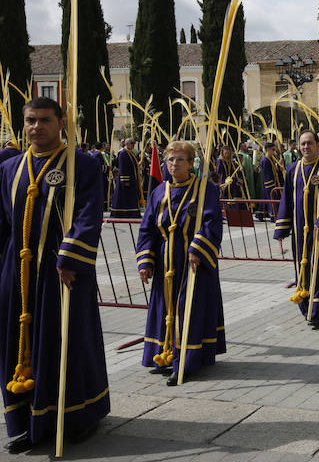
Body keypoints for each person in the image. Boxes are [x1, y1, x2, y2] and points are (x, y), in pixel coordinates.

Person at [0, 98, 109, 452]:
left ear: (61, 122)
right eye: (30, 120)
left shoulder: (83, 165)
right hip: (16, 272)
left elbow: (90, 214)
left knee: (68, 341)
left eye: (44, 120)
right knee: (16, 341)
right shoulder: (9, 168)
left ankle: (78, 416)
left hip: (62, 271)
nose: (36, 127)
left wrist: (70, 257)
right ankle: (23, 421)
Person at [135, 141, 226, 386]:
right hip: (166, 261)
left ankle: (185, 360)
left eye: (180, 160)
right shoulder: (158, 192)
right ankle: (163, 354)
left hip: (193, 262)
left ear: (191, 163)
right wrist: (145, 260)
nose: (174, 164)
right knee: (164, 307)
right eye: (170, 160)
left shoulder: (205, 189)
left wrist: (198, 248)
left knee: (189, 308)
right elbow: (147, 229)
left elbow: (212, 222)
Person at [275, 130, 319, 328]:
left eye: (309, 143)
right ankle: (306, 306)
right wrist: (282, 228)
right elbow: (286, 199)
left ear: (318, 144)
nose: (305, 147)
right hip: (299, 231)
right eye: (302, 144)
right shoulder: (293, 169)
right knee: (302, 267)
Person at [110, 137, 142, 218]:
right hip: (126, 181)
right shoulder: (123, 153)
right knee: (124, 197)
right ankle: (124, 213)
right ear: (127, 144)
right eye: (132, 143)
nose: (133, 145)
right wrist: (125, 180)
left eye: (134, 143)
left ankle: (132, 212)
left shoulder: (129, 152)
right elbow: (123, 167)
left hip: (132, 179)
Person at [258, 142, 285, 220]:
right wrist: (271, 184)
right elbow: (266, 174)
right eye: (273, 149)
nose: (274, 151)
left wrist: (279, 168)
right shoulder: (265, 160)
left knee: (267, 199)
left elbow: (274, 171)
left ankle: (263, 215)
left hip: (273, 182)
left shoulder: (272, 159)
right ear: (267, 149)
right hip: (268, 184)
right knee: (270, 200)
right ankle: (272, 215)